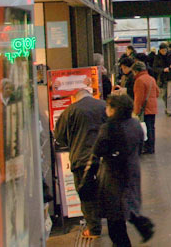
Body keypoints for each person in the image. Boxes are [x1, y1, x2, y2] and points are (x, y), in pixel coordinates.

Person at [93, 94, 155, 247]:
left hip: (113, 176)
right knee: (127, 206)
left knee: (115, 222)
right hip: (132, 171)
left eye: (108, 106)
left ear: (114, 109)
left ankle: (139, 228)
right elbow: (140, 145)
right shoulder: (135, 124)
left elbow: (98, 150)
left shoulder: (108, 128)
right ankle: (142, 225)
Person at [54, 86, 107, 238]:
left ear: (74, 98)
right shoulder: (103, 106)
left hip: (81, 159)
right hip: (104, 158)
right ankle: (113, 223)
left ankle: (94, 228)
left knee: (86, 194)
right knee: (105, 190)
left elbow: (60, 136)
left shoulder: (70, 111)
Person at [131, 61, 158, 154]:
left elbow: (139, 98)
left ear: (136, 71)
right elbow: (157, 92)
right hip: (153, 107)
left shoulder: (139, 80)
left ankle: (147, 147)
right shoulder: (151, 79)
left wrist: (136, 111)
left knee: (145, 128)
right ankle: (151, 147)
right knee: (151, 127)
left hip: (145, 109)